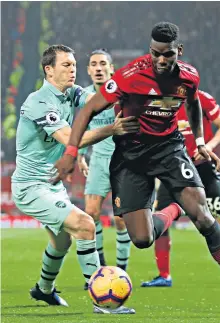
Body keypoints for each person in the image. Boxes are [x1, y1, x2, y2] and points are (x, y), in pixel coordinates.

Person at [53, 23, 220, 318]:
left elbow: (193, 103)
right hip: (131, 156)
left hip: (170, 149)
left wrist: (202, 142)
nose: (160, 60)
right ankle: (173, 210)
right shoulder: (130, 75)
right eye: (155, 53)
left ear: (177, 51)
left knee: (205, 218)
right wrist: (70, 152)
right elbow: (89, 109)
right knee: (142, 239)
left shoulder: (189, 76)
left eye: (166, 54)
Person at [11, 44, 138, 314]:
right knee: (85, 224)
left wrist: (135, 87)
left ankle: (43, 290)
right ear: (49, 70)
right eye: (66, 65)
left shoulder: (71, 93)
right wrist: (111, 129)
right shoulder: (39, 101)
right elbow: (70, 139)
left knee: (62, 241)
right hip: (30, 186)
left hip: (52, 185)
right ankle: (102, 301)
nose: (73, 69)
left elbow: (100, 97)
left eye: (74, 65)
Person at [141, 90, 220, 287]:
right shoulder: (163, 102)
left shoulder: (202, 98)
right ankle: (164, 275)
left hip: (203, 167)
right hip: (174, 168)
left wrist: (209, 146)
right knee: (161, 218)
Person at [78, 49, 132, 290]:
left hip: (123, 161)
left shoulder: (123, 93)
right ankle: (99, 267)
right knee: (90, 212)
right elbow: (79, 126)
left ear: (111, 68)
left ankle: (121, 270)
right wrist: (80, 156)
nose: (98, 68)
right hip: (99, 159)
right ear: (88, 70)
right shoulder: (84, 96)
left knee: (121, 220)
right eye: (93, 64)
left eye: (102, 64)